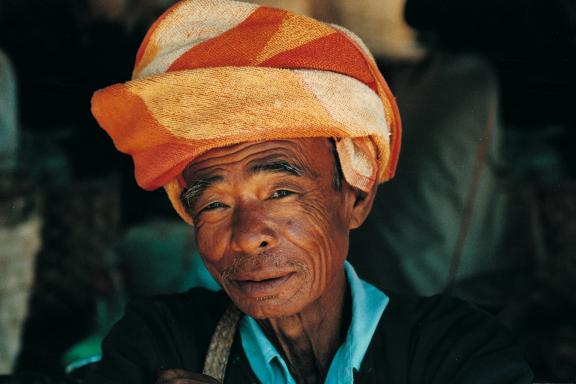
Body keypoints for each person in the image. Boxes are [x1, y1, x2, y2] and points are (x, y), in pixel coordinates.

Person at [86, 0, 533, 383]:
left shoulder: (453, 349)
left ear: (355, 199)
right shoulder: (159, 339)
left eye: (280, 193)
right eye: (215, 204)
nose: (246, 236)